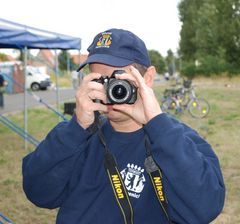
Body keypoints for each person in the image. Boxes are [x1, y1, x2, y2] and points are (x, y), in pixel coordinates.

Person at [22, 28, 225, 224]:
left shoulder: (178, 140)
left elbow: (204, 209)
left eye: (118, 79)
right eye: (100, 80)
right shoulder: (76, 136)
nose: (110, 89)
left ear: (147, 78)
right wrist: (77, 127)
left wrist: (157, 124)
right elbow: (38, 192)